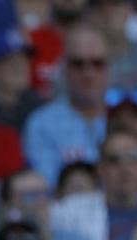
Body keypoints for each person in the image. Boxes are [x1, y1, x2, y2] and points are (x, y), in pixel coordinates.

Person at [23, 26, 109, 187]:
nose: (88, 73)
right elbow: (47, 183)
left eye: (97, 63)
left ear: (109, 67)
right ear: (64, 69)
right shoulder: (42, 123)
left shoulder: (136, 112)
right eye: (78, 64)